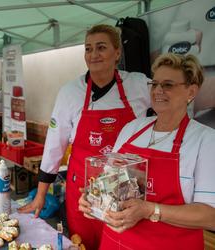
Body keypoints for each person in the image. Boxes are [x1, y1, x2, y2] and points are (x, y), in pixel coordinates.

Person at [18, 24, 151, 250]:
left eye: (101, 47)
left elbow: (168, 111)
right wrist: (40, 195)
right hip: (84, 193)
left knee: (123, 243)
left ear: (117, 53)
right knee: (83, 244)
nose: (93, 54)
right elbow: (53, 147)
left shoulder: (139, 84)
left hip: (126, 192)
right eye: (88, 49)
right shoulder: (70, 92)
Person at [78, 53, 215, 250]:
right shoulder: (132, 129)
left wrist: (149, 210)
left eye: (168, 85)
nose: (158, 90)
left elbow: (210, 216)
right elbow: (107, 182)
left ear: (191, 91)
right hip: (115, 243)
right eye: (155, 84)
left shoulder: (205, 140)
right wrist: (93, 199)